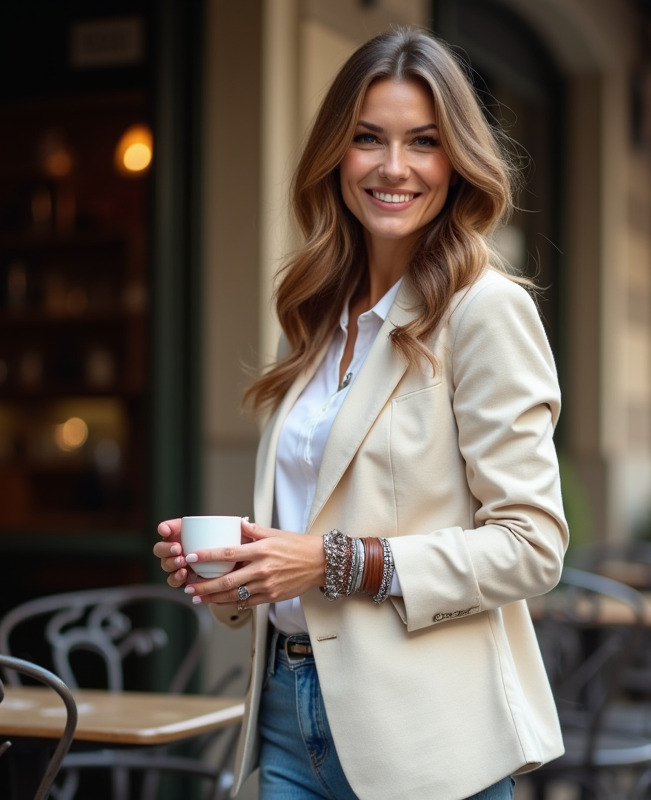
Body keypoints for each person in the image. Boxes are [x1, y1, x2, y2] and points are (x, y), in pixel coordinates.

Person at [152, 28, 567, 800]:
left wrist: (336, 562)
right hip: (285, 714)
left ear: (457, 161)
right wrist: (242, 569)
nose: (393, 167)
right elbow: (310, 525)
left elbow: (531, 548)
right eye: (368, 138)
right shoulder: (316, 316)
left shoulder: (485, 311)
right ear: (335, 155)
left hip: (428, 735)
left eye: (424, 142)